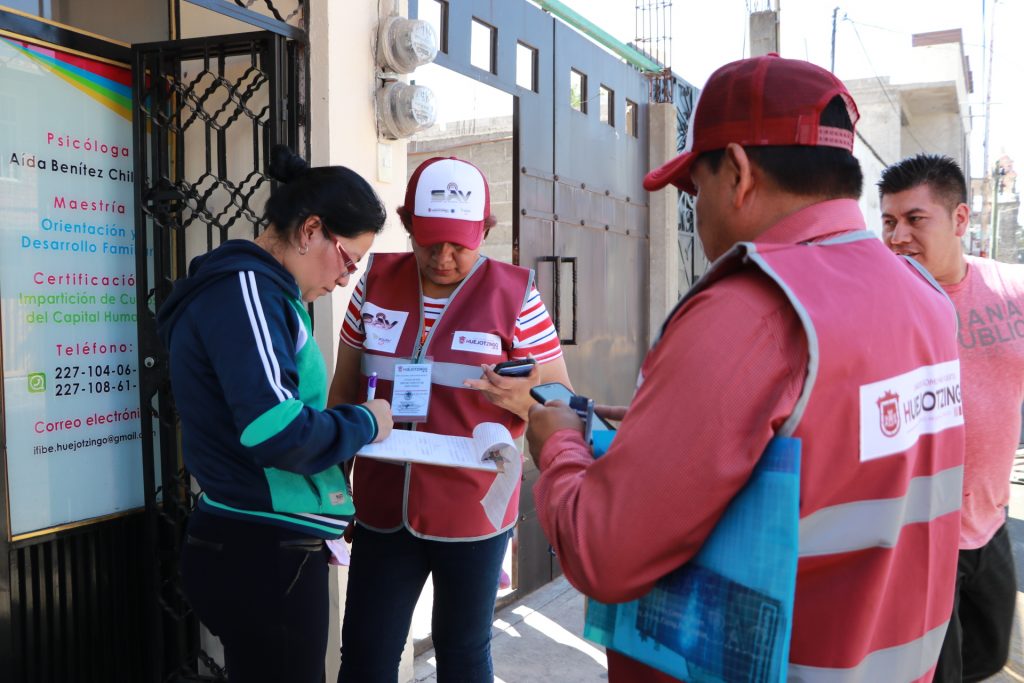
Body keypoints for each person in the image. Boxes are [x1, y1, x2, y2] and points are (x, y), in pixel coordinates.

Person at [526, 55, 966, 682]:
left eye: (693, 189)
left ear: (736, 171)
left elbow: (604, 552)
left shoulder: (753, 309)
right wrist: (664, 429)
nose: (695, 212)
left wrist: (560, 446)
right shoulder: (923, 297)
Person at [156, 145, 393, 683]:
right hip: (259, 552)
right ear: (311, 230)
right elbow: (278, 431)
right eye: (348, 260)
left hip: (262, 545)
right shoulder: (247, 292)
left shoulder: (266, 294)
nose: (344, 279)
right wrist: (367, 422)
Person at [330, 156, 572, 682]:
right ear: (409, 225)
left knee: (462, 653)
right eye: (429, 241)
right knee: (367, 653)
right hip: (382, 505)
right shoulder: (374, 282)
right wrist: (334, 487)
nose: (443, 258)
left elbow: (562, 404)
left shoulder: (516, 295)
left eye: (460, 245)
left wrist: (521, 400)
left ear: (483, 231)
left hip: (472, 508)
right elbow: (344, 390)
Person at [879, 153, 1021, 682]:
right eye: (889, 221)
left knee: (987, 657)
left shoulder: (1010, 292)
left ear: (960, 221)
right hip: (919, 538)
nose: (897, 237)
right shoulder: (880, 303)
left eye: (916, 220)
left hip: (990, 524)